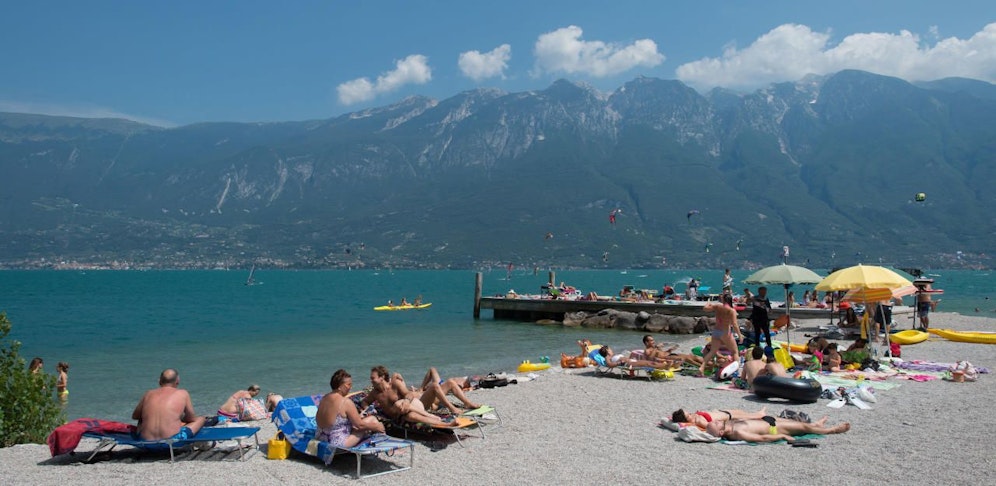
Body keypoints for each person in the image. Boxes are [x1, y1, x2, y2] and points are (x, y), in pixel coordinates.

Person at [361, 366, 461, 426]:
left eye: (372, 378)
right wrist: (369, 409)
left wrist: (406, 401)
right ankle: (446, 424)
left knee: (398, 404)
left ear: (381, 377)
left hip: (412, 405)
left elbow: (408, 394)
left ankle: (430, 415)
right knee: (410, 416)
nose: (371, 380)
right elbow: (364, 402)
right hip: (401, 415)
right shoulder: (375, 393)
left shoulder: (395, 384)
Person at [315, 369, 385, 451]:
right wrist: (376, 427)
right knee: (372, 420)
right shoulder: (345, 402)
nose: (351, 387)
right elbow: (360, 425)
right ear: (340, 386)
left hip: (321, 438)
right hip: (336, 443)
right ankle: (387, 445)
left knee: (363, 421)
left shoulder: (324, 398)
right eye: (348, 385)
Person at [132, 368, 205, 441]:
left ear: (159, 381)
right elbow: (191, 418)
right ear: (177, 381)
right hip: (171, 441)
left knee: (141, 418)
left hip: (145, 441)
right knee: (200, 419)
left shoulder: (148, 394)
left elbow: (135, 416)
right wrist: (179, 418)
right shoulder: (183, 393)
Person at [706, 415, 850, 443]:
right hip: (774, 428)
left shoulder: (730, 424)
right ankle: (831, 430)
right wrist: (782, 437)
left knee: (795, 422)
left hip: (768, 421)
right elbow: (762, 438)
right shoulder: (737, 433)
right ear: (720, 432)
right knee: (803, 427)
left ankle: (817, 425)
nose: (718, 421)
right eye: (716, 424)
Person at [700, 294, 743, 376]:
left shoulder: (717, 306)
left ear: (724, 300)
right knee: (734, 352)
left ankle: (702, 367)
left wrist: (708, 302)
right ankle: (736, 371)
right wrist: (740, 335)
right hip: (725, 332)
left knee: (712, 351)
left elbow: (705, 308)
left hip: (716, 331)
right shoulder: (731, 310)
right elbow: (734, 324)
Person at [671, 406, 768, 430]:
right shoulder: (698, 420)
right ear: (686, 419)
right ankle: (761, 415)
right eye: (688, 415)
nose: (691, 414)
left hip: (725, 412)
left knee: (744, 413)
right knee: (751, 416)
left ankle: (760, 415)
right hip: (727, 417)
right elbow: (709, 427)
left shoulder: (695, 417)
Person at [597, 345, 676, 369]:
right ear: (607, 351)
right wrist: (619, 363)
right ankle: (665, 366)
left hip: (631, 361)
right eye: (610, 349)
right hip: (628, 363)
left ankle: (668, 365)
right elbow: (609, 365)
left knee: (648, 362)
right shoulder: (608, 357)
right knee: (648, 364)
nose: (611, 350)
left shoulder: (613, 356)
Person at [749, 286, 773, 351]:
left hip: (764, 319)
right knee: (757, 334)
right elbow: (748, 300)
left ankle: (769, 347)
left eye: (765, 291)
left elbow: (769, 310)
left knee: (767, 334)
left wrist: (765, 307)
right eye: (763, 291)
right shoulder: (754, 298)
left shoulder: (766, 299)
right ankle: (757, 348)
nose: (764, 293)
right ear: (759, 291)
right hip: (756, 318)